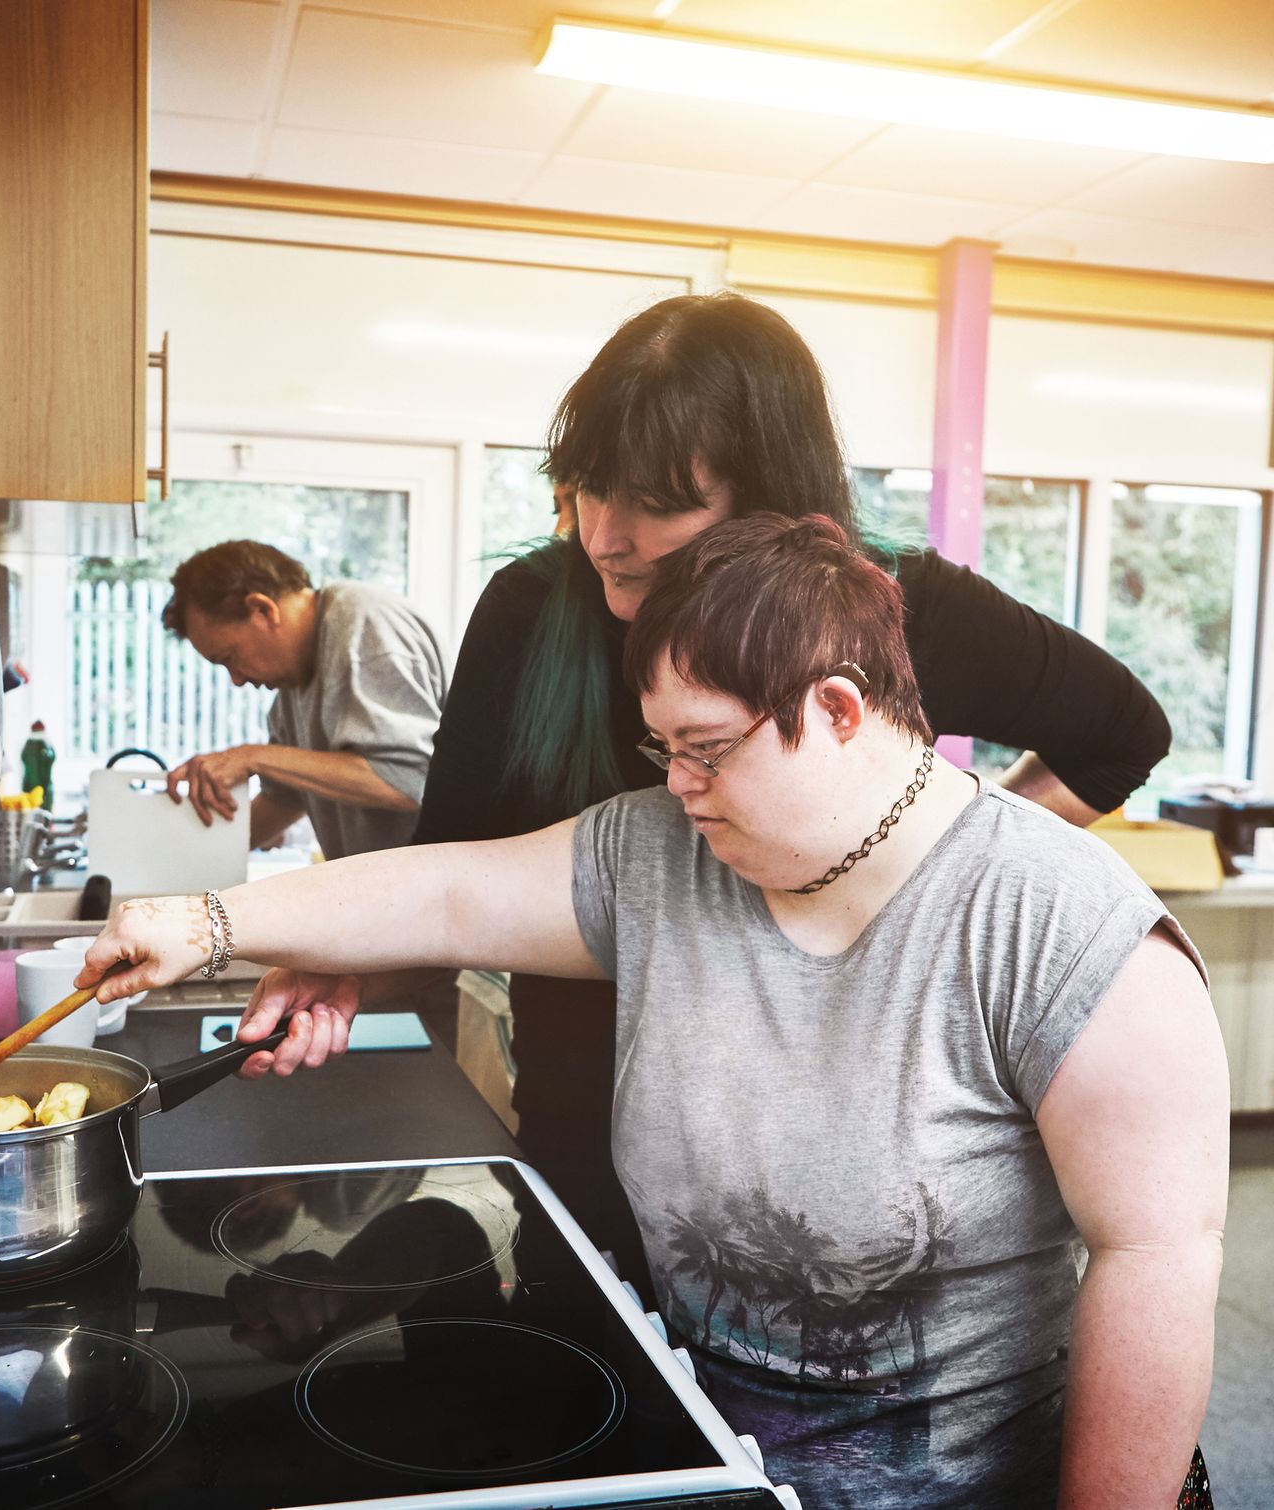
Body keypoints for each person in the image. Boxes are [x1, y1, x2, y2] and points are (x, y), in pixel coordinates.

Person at [79, 514, 1226, 1510]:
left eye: (709, 750)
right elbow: (450, 887)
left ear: (835, 710)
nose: (676, 783)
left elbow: (1157, 1261)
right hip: (697, 1456)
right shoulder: (663, 854)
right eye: (660, 747)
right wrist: (211, 920)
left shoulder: (1066, 930)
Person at [409, 292, 1172, 1281]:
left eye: (658, 501)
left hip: (839, 1159)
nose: (604, 535)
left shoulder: (904, 606)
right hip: (582, 1136)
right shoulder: (528, 612)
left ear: (767, 497)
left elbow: (1120, 734)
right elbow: (443, 870)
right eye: (589, 488)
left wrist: (933, 882)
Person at [161, 540, 446, 860]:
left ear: (263, 610)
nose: (237, 680)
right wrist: (188, 861)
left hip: (437, 898)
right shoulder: (291, 686)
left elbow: (405, 782)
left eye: (230, 657)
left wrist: (253, 756)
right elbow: (286, 798)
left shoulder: (363, 627)